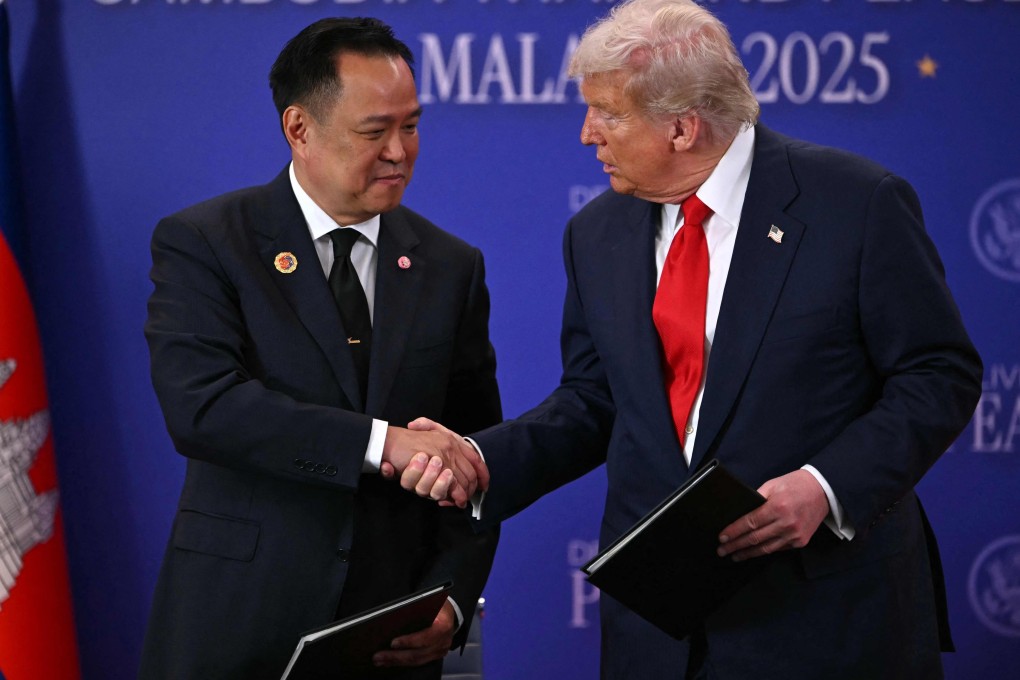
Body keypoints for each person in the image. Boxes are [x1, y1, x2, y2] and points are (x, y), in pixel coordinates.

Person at [401, 0, 983, 677]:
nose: (588, 135)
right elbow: (594, 400)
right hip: (657, 632)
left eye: (607, 114)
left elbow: (938, 373)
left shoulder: (855, 204)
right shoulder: (596, 233)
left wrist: (825, 488)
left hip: (825, 618)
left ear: (682, 127)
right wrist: (479, 459)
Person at [139, 17, 499, 680]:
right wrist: (382, 443)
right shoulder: (207, 241)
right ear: (299, 128)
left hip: (390, 637)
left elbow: (473, 453)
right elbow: (203, 409)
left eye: (411, 126)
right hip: (239, 627)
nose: (399, 151)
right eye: (374, 130)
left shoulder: (451, 266)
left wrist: (449, 599)